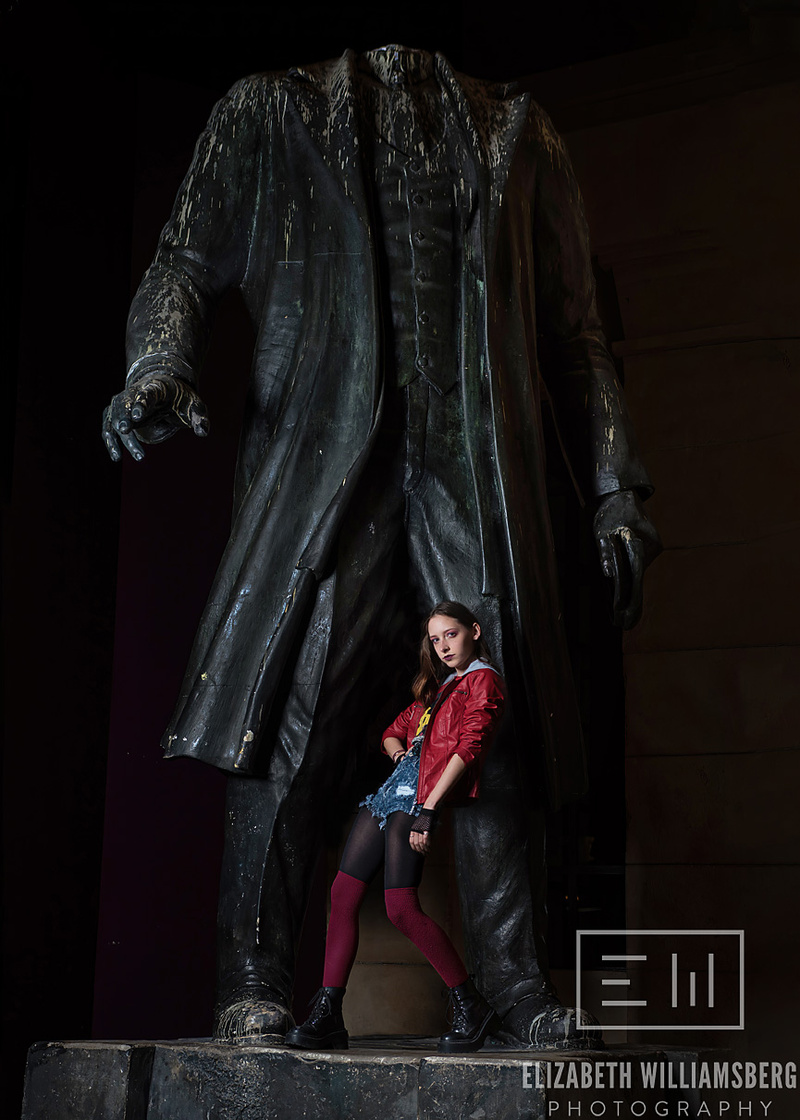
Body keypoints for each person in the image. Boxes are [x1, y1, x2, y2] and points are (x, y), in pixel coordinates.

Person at [102, 45, 661, 1047]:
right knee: (291, 709)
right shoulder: (269, 113)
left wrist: (615, 487)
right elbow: (183, 262)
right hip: (326, 472)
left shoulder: (518, 132)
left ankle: (511, 985)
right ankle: (252, 981)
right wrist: (156, 363)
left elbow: (578, 338)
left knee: (494, 719)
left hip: (475, 474)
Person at [285, 602, 505, 1054]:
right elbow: (393, 729)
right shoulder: (439, 690)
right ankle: (329, 1013)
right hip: (389, 793)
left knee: (400, 908)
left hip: (418, 797)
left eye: (452, 635)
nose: (443, 646)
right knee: (342, 893)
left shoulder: (483, 682)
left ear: (475, 632)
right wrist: (398, 754)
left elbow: (469, 748)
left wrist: (428, 808)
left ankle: (471, 1004)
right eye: (436, 639)